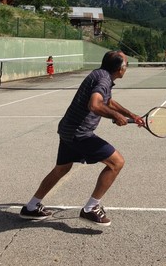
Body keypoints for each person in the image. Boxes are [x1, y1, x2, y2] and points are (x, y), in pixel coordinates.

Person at [20, 50, 144, 227]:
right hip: (79, 133)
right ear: (119, 68)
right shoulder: (103, 79)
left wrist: (131, 115)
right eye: (126, 64)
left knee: (61, 169)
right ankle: (90, 209)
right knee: (116, 163)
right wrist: (116, 117)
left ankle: (31, 207)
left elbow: (108, 102)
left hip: (68, 130)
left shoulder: (101, 75)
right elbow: (94, 105)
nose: (127, 68)